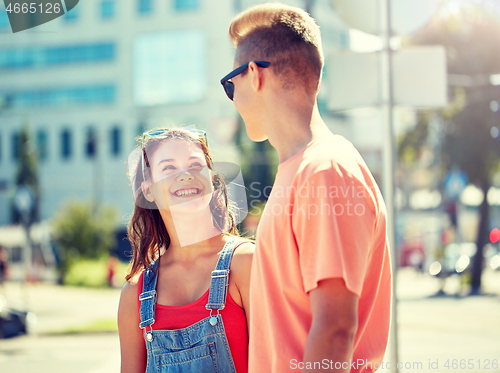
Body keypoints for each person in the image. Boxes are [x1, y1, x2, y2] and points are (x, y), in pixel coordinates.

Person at [220, 4, 392, 373]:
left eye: (229, 85)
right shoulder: (300, 170)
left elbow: (335, 329)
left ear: (254, 75)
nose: (232, 98)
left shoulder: (324, 171)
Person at [118, 127, 253, 373]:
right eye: (168, 168)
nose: (185, 175)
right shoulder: (134, 295)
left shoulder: (246, 263)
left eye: (194, 164)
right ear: (148, 190)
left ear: (211, 178)